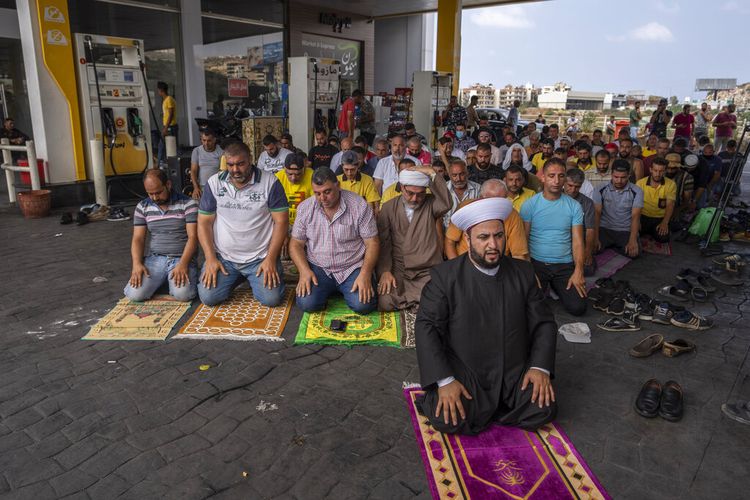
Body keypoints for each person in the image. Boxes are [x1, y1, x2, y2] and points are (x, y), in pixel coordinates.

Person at [416, 196, 558, 434]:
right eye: (483, 237)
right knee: (448, 418)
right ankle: (488, 407)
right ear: (468, 238)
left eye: (499, 236)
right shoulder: (445, 277)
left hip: (514, 369)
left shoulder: (523, 272)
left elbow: (544, 323)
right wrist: (445, 381)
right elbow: (426, 326)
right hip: (468, 370)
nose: (493, 244)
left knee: (543, 408)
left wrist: (539, 368)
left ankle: (495, 408)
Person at [197, 142, 289, 307]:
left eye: (240, 164)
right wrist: (210, 258)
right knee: (209, 297)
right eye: (231, 165)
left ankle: (253, 276)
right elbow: (204, 223)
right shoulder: (214, 183)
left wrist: (270, 259)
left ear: (250, 160)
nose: (235, 170)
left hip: (260, 258)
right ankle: (236, 277)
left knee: (271, 299)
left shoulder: (270, 182)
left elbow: (281, 222)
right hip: (225, 258)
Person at [290, 167, 379, 314]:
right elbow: (296, 244)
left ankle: (341, 289)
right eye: (317, 193)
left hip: (351, 267)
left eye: (327, 191)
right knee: (307, 304)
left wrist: (365, 274)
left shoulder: (359, 206)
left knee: (364, 305)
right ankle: (332, 289)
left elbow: (372, 243)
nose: (322, 198)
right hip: (319, 267)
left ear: (338, 186)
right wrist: (304, 271)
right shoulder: (305, 208)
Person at [377, 166, 451, 311]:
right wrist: (385, 271)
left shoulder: (431, 204)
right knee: (385, 301)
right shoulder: (388, 207)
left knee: (439, 299)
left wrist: (431, 172)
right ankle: (417, 302)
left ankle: (415, 301)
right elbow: (384, 243)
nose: (415, 199)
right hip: (400, 269)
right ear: (402, 187)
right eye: (410, 193)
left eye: (420, 194)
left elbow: (447, 203)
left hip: (426, 270)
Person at [520, 158, 587, 316]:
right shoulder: (530, 205)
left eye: (561, 176)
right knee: (527, 307)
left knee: (578, 307)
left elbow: (578, 242)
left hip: (564, 265)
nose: (556, 181)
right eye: (551, 176)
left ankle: (556, 287)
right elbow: (523, 241)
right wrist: (529, 271)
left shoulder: (574, 206)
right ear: (542, 177)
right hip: (537, 263)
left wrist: (578, 271)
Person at [124, 169, 198, 302]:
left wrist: (183, 264)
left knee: (184, 295)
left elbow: (193, 237)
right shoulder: (143, 207)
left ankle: (171, 278)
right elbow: (138, 239)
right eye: (150, 194)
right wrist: (137, 264)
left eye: (158, 192)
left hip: (181, 259)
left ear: (168, 185)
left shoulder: (188, 204)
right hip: (156, 259)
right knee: (135, 295)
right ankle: (164, 279)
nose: (154, 198)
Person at [444, 179, 529, 261]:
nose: (497, 206)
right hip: (465, 262)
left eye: (502, 201)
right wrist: (457, 269)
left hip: (496, 265)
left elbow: (519, 255)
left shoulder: (512, 215)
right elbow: (450, 241)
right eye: (492, 201)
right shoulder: (466, 208)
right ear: (480, 198)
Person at [592, 160, 644, 258]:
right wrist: (595, 237)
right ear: (611, 174)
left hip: (625, 230)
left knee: (634, 253)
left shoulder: (637, 191)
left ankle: (614, 245)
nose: (619, 181)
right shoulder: (600, 189)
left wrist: (632, 240)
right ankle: (615, 245)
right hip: (604, 229)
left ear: (629, 175)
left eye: (623, 177)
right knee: (592, 249)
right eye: (616, 177)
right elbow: (597, 213)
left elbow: (635, 216)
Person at [563, 169, 597, 276]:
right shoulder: (554, 197)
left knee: (587, 269)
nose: (573, 190)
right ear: (564, 182)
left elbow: (590, 230)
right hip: (558, 241)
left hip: (578, 242)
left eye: (577, 186)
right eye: (570, 185)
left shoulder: (587, 203)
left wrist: (587, 252)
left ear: (582, 185)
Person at [636, 157, 675, 243]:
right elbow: (636, 205)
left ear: (665, 171)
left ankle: (653, 231)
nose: (658, 174)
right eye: (655, 170)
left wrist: (664, 223)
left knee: (663, 238)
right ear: (651, 170)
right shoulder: (640, 183)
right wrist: (637, 221)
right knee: (633, 233)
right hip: (643, 216)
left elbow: (670, 205)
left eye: (661, 171)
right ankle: (649, 232)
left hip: (659, 218)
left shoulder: (671, 184)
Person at [443, 159, 480, 228]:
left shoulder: (478, 189)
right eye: (454, 175)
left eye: (462, 174)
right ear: (449, 175)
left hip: (471, 231)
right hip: (447, 232)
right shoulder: (442, 190)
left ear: (467, 173)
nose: (458, 179)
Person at [189, 129, 223, 200]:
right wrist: (196, 188)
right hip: (200, 186)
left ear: (214, 140)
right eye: (204, 140)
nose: (206, 143)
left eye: (209, 141)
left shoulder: (221, 151)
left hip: (216, 186)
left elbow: (222, 171)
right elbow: (193, 171)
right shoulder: (196, 151)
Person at [665, 153, 695, 219]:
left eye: (673, 168)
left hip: (677, 208)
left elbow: (687, 199)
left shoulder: (687, 177)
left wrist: (677, 211)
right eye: (668, 168)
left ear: (678, 167)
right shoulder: (661, 173)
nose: (670, 171)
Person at [694, 143, 723, 208]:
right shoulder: (698, 158)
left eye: (710, 152)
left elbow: (717, 174)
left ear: (713, 152)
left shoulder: (718, 159)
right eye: (705, 152)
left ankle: (713, 199)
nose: (707, 154)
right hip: (700, 181)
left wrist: (709, 186)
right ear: (702, 151)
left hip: (711, 180)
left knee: (717, 189)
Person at [157, 81, 178, 165]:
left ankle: (159, 163)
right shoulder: (166, 100)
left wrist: (166, 128)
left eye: (158, 90)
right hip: (169, 126)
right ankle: (165, 163)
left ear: (161, 90)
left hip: (170, 127)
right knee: (167, 147)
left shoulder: (168, 99)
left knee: (163, 146)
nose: (158, 92)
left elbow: (171, 114)